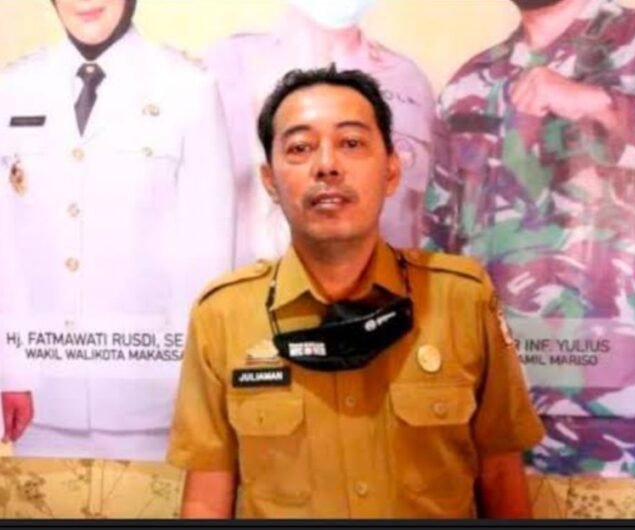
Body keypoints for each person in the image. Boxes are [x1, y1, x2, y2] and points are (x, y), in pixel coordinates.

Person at [167, 65, 544, 519]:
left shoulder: (462, 298)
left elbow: (500, 473)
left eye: (351, 143)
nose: (327, 165)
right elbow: (207, 495)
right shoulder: (223, 315)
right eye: (300, 148)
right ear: (270, 182)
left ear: (391, 171)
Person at [423, 0, 635, 479]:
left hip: (613, 398)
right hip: (492, 399)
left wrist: (597, 103)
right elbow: (437, 237)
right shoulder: (471, 83)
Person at [0, 0, 234, 460]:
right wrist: (11, 370)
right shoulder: (12, 88)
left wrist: (193, 390)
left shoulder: (188, 87)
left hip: (153, 403)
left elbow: (207, 257)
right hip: (37, 402)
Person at [204, 0, 434, 267]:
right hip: (263, 280)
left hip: (378, 284)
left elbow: (413, 215)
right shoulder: (232, 64)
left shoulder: (407, 80)